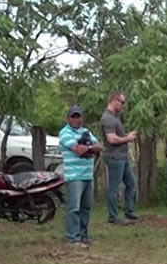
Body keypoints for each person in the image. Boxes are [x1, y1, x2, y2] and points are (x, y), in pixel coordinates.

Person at [58, 106, 102, 247]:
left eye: (79, 116)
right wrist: (89, 148)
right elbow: (77, 150)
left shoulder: (86, 132)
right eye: (74, 117)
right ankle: (73, 238)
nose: (77, 119)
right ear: (68, 118)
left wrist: (87, 148)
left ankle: (83, 235)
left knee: (85, 208)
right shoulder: (65, 133)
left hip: (87, 175)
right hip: (74, 176)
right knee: (73, 208)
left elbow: (99, 146)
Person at [100, 92, 140, 225]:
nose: (123, 105)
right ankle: (113, 216)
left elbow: (117, 136)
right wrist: (127, 139)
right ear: (113, 100)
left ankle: (129, 212)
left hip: (122, 157)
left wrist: (127, 135)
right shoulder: (108, 118)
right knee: (114, 188)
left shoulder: (115, 117)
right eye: (122, 102)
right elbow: (111, 138)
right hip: (114, 157)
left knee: (131, 183)